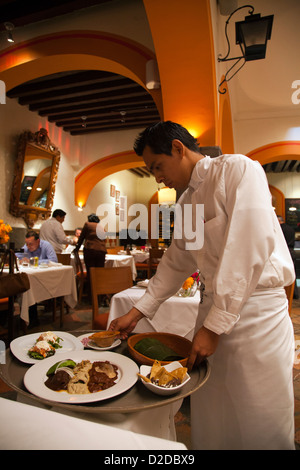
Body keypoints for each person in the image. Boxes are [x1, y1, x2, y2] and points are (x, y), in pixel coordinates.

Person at [108, 121, 296, 450]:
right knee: (214, 409)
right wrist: (137, 312)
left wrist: (216, 324)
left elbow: (248, 246)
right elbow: (177, 261)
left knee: (258, 411)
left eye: (157, 166)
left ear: (179, 149)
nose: (157, 177)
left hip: (257, 313)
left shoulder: (237, 170)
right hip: (209, 312)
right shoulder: (187, 204)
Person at [16, 230, 57, 327]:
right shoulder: (26, 247)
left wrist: (32, 261)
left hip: (46, 279)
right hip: (32, 277)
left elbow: (53, 260)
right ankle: (28, 317)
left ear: (38, 241)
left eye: (31, 244)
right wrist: (20, 259)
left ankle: (32, 318)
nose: (28, 246)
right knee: (24, 286)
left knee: (30, 287)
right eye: (27, 244)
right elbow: (17, 255)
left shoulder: (46, 245)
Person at [73, 214, 107, 291]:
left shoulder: (87, 224)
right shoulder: (101, 227)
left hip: (90, 250)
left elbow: (81, 238)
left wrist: (76, 249)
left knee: (90, 273)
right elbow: (104, 239)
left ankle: (91, 295)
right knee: (99, 273)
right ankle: (99, 294)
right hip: (102, 251)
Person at [277, 215, 298, 298]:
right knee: (292, 273)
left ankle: (288, 294)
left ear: (278, 221)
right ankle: (294, 293)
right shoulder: (290, 228)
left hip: (284, 252)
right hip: (292, 251)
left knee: (284, 274)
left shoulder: (279, 229)